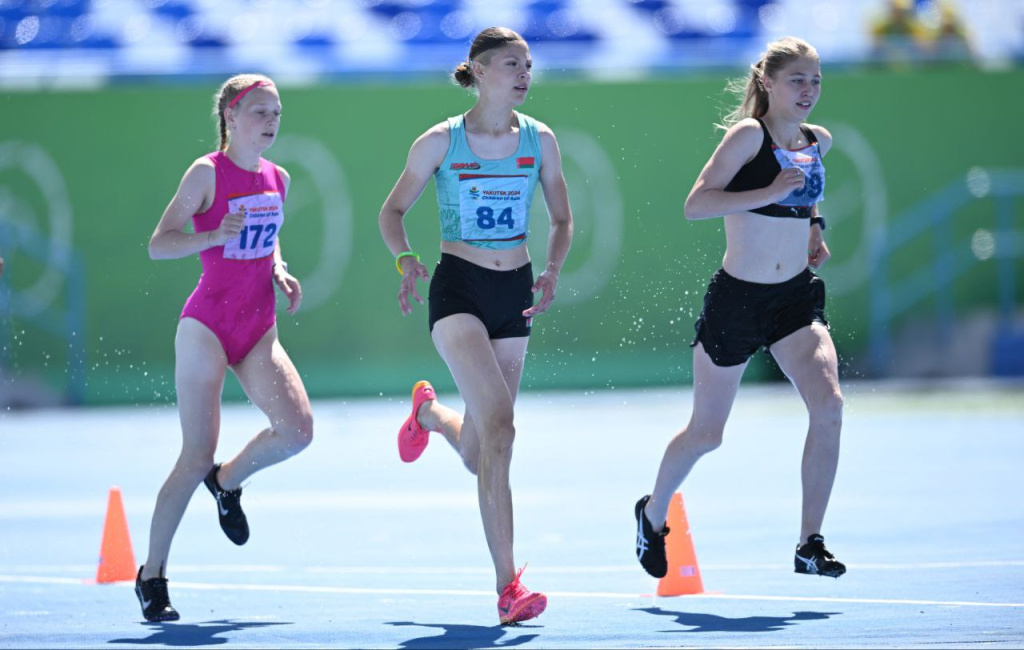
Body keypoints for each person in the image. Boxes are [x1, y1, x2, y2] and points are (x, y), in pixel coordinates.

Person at [378, 26, 573, 625]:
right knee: (502, 426)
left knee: (483, 444)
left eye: (529, 65)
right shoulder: (440, 142)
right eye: (512, 64)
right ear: (479, 71)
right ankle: (508, 586)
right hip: (459, 288)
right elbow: (392, 211)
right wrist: (406, 258)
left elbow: (562, 219)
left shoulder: (540, 142)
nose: (524, 74)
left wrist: (553, 269)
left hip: (513, 288)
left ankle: (430, 415)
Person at [634, 37, 846, 581]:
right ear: (768, 83)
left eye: (815, 80)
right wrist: (769, 190)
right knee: (708, 433)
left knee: (829, 406)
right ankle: (652, 514)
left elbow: (805, 186)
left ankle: (809, 543)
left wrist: (813, 225)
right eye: (797, 80)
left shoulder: (815, 141)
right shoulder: (747, 137)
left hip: (794, 298)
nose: (808, 91)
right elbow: (696, 204)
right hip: (738, 299)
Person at [137, 74, 313, 622]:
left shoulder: (277, 177)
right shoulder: (206, 173)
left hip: (258, 324)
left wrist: (280, 269)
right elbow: (158, 244)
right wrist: (214, 235)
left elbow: (269, 234)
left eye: (277, 113)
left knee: (298, 431)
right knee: (194, 454)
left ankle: (228, 480)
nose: (271, 122)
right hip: (207, 325)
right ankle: (152, 576)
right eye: (259, 112)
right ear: (231, 117)